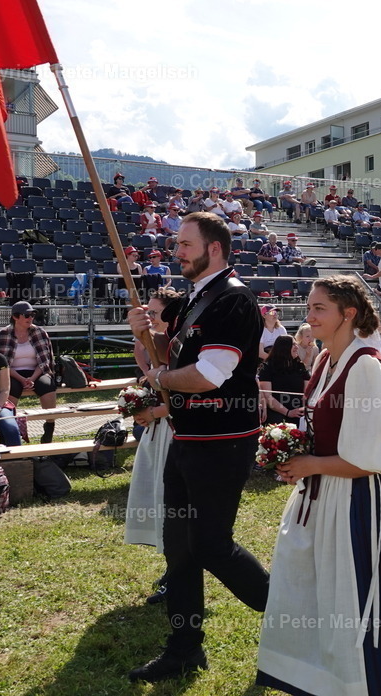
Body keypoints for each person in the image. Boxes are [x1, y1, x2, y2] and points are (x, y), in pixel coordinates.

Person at [256, 276, 381, 694]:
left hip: (361, 502)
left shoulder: (365, 367)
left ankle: (370, 683)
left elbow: (369, 459)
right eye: (310, 307)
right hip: (324, 492)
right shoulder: (326, 360)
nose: (309, 316)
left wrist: (309, 463)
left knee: (356, 595)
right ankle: (324, 678)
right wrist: (293, 455)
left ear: (349, 314)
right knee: (318, 591)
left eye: (319, 308)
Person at [126, 212, 269, 683]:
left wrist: (158, 378)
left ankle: (293, 612)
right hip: (187, 437)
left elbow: (209, 375)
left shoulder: (234, 299)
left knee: (210, 545)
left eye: (186, 244)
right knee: (180, 550)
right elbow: (175, 356)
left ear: (215, 248)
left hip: (222, 440)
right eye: (177, 244)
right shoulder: (194, 299)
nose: (177, 252)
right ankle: (184, 649)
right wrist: (145, 333)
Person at [125, 287, 184, 605]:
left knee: (173, 505)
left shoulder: (179, 345)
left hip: (176, 432)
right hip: (158, 433)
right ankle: (173, 568)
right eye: (147, 313)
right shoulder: (153, 341)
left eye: (155, 313)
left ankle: (180, 574)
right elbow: (149, 375)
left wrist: (155, 411)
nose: (149, 318)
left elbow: (182, 398)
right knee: (158, 501)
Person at [0, 301, 58, 443]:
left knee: (48, 386)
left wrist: (32, 378)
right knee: (11, 389)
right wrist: (22, 379)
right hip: (12, 373)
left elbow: (45, 361)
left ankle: (50, 426)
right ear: (15, 317)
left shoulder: (39, 332)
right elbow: (1, 364)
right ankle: (7, 430)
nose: (31, 318)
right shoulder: (3, 334)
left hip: (37, 372)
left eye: (33, 314)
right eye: (27, 315)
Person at [259, 335, 310, 425]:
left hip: (298, 411)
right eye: (293, 344)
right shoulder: (267, 367)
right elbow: (267, 396)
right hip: (277, 412)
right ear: (284, 347)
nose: (297, 347)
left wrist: (303, 408)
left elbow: (307, 392)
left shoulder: (300, 366)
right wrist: (288, 412)